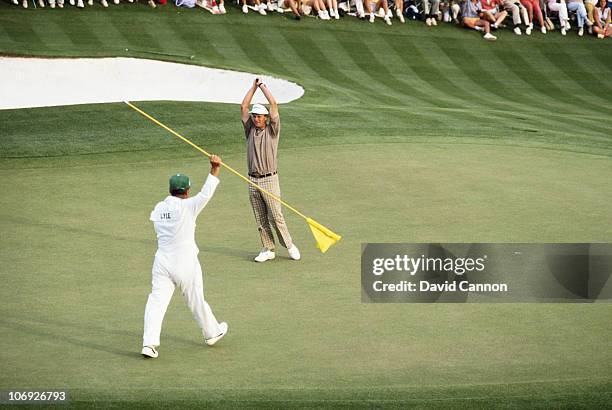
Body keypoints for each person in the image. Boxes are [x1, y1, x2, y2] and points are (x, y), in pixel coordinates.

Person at [141, 155, 228, 359]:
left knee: (156, 303)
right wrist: (215, 168)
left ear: (170, 190)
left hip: (162, 263)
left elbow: (161, 215)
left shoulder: (159, 208)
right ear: (187, 192)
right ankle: (211, 332)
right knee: (196, 299)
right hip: (185, 262)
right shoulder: (189, 207)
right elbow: (206, 193)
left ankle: (149, 344)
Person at [240, 78, 301, 263]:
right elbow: (243, 106)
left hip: (269, 179)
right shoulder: (250, 130)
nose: (256, 118)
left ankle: (289, 245)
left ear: (265, 118)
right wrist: (252, 88)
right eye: (254, 116)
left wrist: (262, 87)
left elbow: (274, 105)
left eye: (259, 116)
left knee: (276, 216)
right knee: (260, 218)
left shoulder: (272, 131)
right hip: (252, 180)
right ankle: (268, 248)